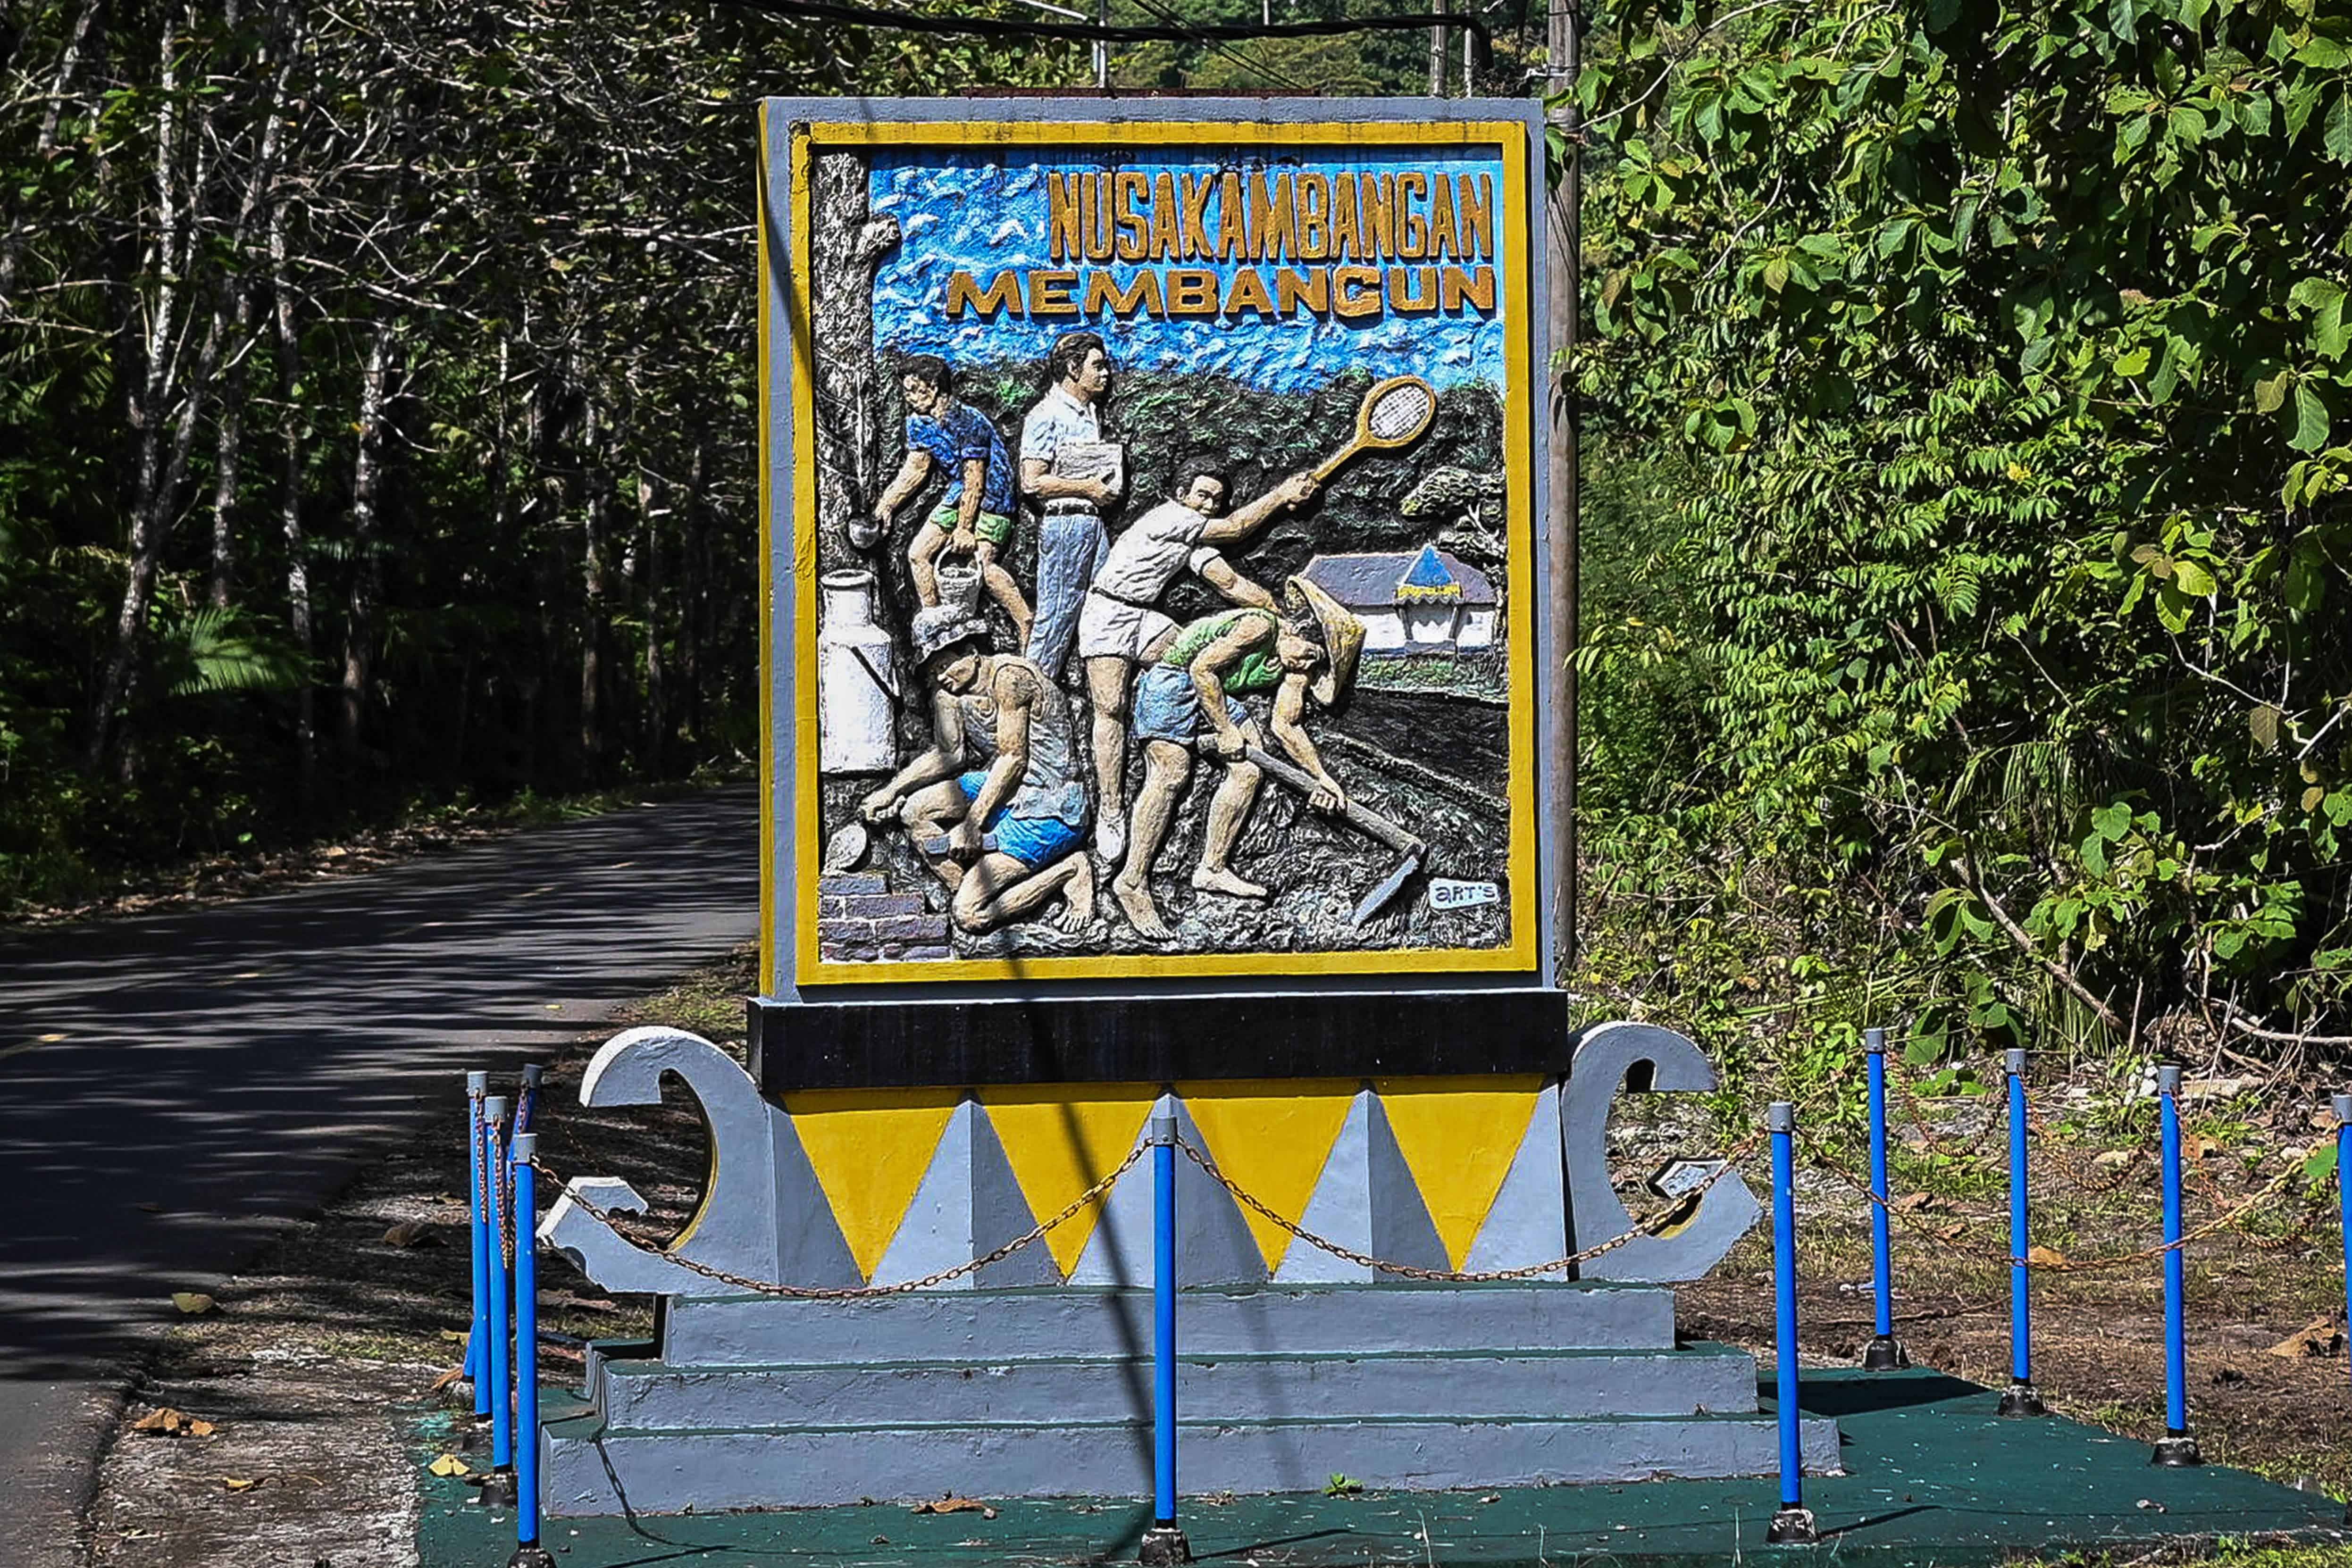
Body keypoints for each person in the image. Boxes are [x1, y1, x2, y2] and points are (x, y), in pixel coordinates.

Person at [1079, 466, 1319, 864]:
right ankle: (1110, 809)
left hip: (1144, 617)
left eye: (1216, 500)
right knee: (1110, 709)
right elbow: (1236, 529)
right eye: (1202, 496)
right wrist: (1280, 495)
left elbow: (1232, 586)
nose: (1209, 505)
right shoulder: (1171, 517)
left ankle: (1209, 720)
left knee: (1187, 658)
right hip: (1106, 611)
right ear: (1181, 495)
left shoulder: (1193, 536)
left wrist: (1280, 617)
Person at [1110, 577, 1364, 941]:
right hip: (1175, 679)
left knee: (1247, 771)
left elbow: (1287, 725)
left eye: (1317, 660)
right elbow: (1202, 670)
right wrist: (1225, 729)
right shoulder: (1260, 627)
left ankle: (1211, 868)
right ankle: (1132, 880)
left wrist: (1321, 777)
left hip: (1215, 696)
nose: (1308, 662)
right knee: (1170, 772)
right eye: (1309, 650)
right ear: (1296, 630)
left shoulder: (1296, 668)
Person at [859, 606, 1094, 936]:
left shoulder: (1011, 678)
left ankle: (1069, 870)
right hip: (1003, 789)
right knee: (915, 810)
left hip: (1046, 805)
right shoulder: (954, 694)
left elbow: (1014, 759)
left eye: (945, 665)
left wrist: (971, 825)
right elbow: (949, 755)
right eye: (933, 671)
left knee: (971, 917)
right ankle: (974, 883)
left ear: (971, 652)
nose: (941, 677)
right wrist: (892, 791)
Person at [872, 355, 1031, 644]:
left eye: (912, 390)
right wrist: (887, 504)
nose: (908, 398)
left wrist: (965, 529)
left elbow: (976, 480)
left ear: (932, 388)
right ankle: (936, 626)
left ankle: (1025, 622)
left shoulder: (970, 422)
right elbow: (917, 469)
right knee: (918, 554)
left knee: (983, 566)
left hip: (994, 497)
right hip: (959, 493)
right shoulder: (919, 423)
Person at [1019, 331, 1119, 683]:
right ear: (1073, 369)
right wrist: (1087, 488)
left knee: (1107, 602)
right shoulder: (1046, 415)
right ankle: (1032, 692)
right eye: (1098, 366)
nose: (1105, 373)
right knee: (1059, 612)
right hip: (1066, 523)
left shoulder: (1089, 412)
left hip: (1092, 523)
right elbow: (1032, 482)